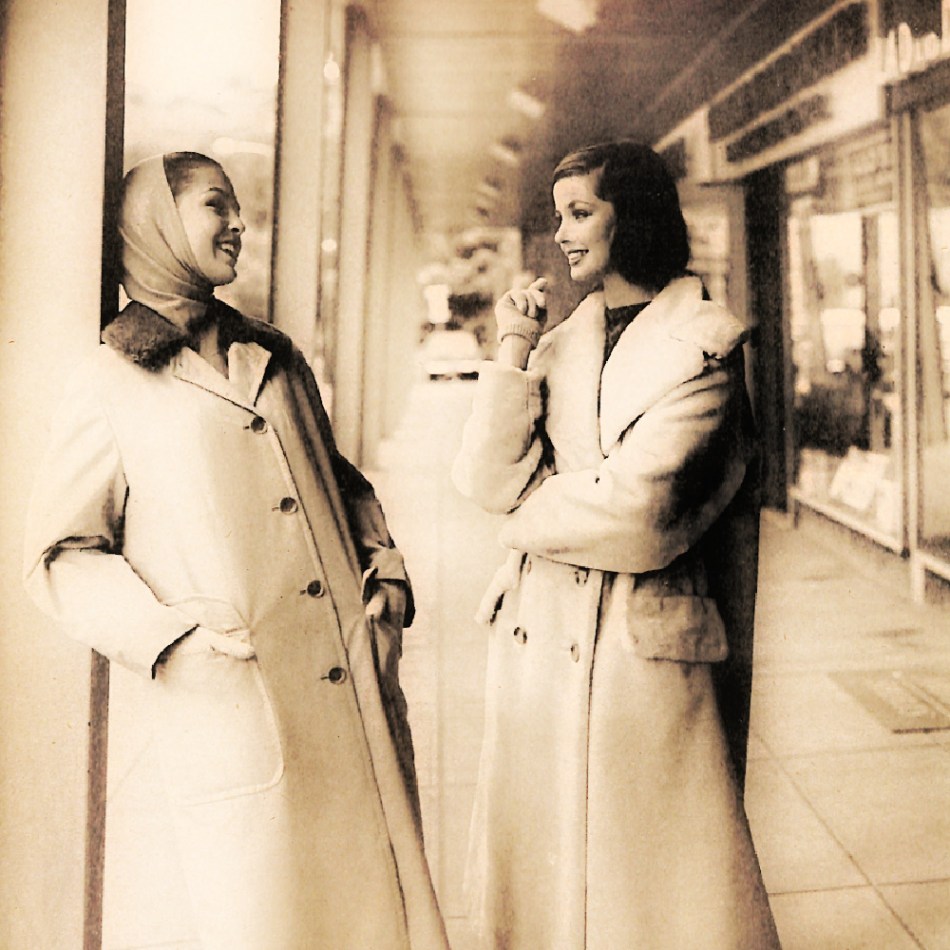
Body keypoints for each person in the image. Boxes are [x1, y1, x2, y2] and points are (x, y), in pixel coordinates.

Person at [23, 152, 448, 950]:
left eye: (238, 207)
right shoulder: (109, 380)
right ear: (156, 224)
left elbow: (341, 481)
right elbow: (62, 553)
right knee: (268, 918)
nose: (239, 223)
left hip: (350, 683)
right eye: (217, 205)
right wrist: (176, 641)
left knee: (375, 916)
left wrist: (384, 574)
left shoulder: (276, 355)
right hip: (241, 703)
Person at [452, 141, 780, 949]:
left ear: (629, 215)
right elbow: (483, 479)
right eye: (558, 214)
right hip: (538, 656)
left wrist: (527, 513)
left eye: (580, 213)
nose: (562, 234)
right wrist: (512, 348)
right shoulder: (560, 342)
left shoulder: (707, 347)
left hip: (641, 659)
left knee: (653, 897)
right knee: (547, 890)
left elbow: (643, 516)